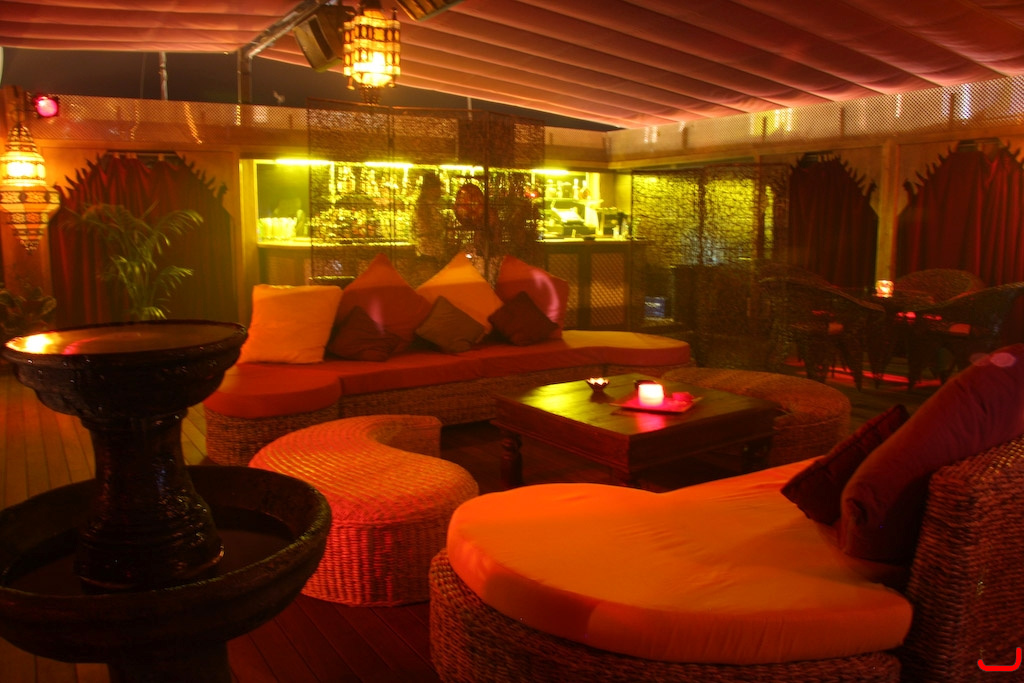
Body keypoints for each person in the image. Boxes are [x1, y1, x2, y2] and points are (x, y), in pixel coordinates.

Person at [412, 172, 445, 264]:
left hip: (424, 250)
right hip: (431, 251)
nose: (440, 191)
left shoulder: (421, 206)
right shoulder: (429, 207)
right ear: (430, 190)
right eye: (437, 188)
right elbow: (437, 228)